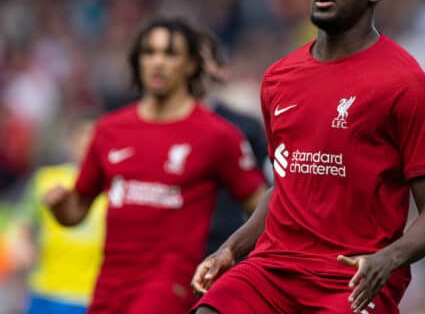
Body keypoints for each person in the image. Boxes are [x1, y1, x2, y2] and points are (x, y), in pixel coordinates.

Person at [191, 0, 425, 314]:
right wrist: (230, 249)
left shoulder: (407, 84)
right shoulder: (279, 78)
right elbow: (286, 187)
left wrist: (387, 259)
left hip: (354, 278)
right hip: (272, 270)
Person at [44, 18, 266, 313]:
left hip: (169, 289)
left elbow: (260, 205)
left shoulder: (218, 135)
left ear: (190, 64)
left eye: (170, 53)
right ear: (137, 61)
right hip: (109, 286)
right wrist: (60, 206)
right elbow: (77, 211)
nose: (158, 62)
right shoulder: (110, 130)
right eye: (149, 52)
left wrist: (243, 266)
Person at [13, 115, 105, 314]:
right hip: (48, 291)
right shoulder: (46, 180)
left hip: (94, 294)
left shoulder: (113, 186)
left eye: (92, 139)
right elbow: (23, 222)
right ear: (70, 143)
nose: (86, 146)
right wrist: (23, 246)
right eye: (81, 139)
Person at [197, 30, 270, 255]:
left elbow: (265, 193)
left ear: (221, 69)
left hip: (228, 250)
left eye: (202, 58)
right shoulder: (153, 127)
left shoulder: (244, 127)